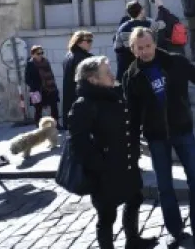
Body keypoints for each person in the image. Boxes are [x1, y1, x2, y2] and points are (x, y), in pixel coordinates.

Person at [122, 27, 195, 249]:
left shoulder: (175, 61)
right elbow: (132, 115)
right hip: (156, 136)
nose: (145, 51)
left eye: (148, 46)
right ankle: (175, 230)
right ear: (133, 49)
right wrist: (131, 149)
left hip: (182, 130)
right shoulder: (131, 76)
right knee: (164, 185)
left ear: (154, 43)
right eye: (140, 48)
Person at [68, 56, 156, 249]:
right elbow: (79, 144)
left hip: (126, 163)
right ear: (92, 79)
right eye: (106, 73)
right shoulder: (84, 105)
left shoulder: (113, 95)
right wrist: (101, 165)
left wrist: (133, 153)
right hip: (105, 172)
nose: (112, 75)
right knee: (107, 215)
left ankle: (133, 240)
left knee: (134, 199)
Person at [113, 0, 165, 81]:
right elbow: (162, 24)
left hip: (128, 68)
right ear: (141, 11)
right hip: (147, 66)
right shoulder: (149, 24)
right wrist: (160, 7)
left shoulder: (122, 27)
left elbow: (117, 48)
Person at [62, 31, 94, 128]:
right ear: (79, 42)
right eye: (88, 41)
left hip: (71, 97)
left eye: (91, 41)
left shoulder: (68, 56)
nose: (90, 43)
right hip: (81, 97)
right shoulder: (82, 58)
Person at [25, 46, 60, 126]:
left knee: (54, 106)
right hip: (37, 90)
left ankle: (56, 124)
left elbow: (51, 75)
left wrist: (53, 86)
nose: (40, 55)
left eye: (42, 53)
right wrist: (36, 87)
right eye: (38, 53)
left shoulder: (46, 62)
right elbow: (27, 79)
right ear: (33, 54)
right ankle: (38, 126)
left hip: (50, 88)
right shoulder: (30, 64)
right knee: (38, 109)